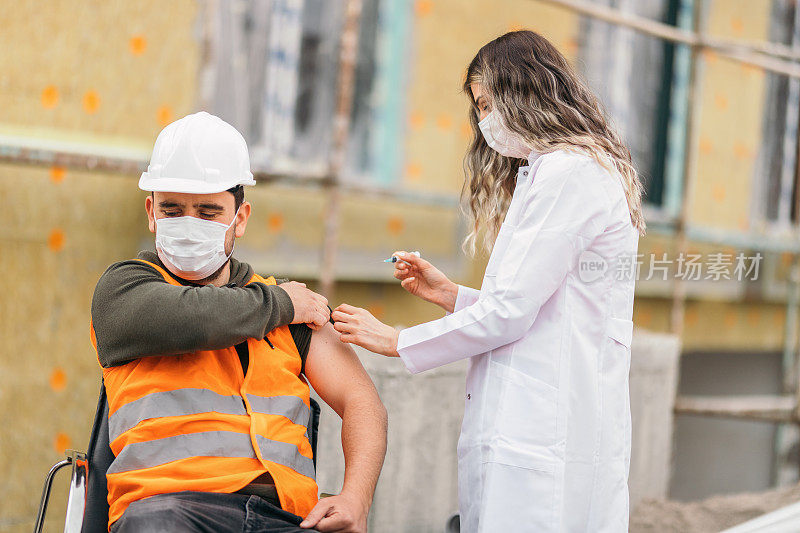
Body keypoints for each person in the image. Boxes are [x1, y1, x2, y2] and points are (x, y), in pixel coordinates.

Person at [331, 31, 644, 532]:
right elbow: (544, 308)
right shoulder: (555, 172)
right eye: (478, 108)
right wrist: (451, 295)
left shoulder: (569, 173)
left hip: (548, 431)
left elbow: (511, 312)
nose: (484, 120)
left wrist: (397, 340)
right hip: (538, 421)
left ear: (527, 89)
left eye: (487, 102)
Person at [90, 112, 387, 533]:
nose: (189, 224)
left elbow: (361, 400)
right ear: (150, 212)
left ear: (240, 218)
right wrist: (282, 303)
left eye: (208, 212)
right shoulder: (125, 291)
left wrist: (356, 497)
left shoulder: (293, 311)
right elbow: (192, 315)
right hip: (169, 511)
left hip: (285, 520)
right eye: (172, 209)